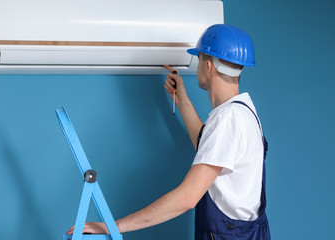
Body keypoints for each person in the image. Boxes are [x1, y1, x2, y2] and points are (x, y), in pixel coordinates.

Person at [67, 24, 271, 240]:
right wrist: (181, 99)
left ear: (208, 66)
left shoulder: (228, 119)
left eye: (198, 59)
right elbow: (209, 149)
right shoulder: (244, 112)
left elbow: (187, 197)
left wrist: (112, 226)